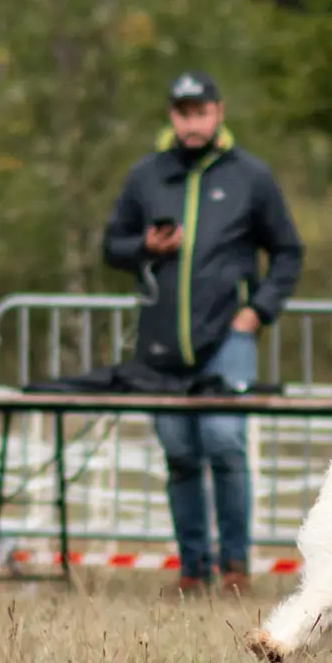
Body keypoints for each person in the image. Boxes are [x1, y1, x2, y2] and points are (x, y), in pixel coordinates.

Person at [101, 69, 305, 596]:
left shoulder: (251, 177)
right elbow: (111, 246)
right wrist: (145, 245)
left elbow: (287, 250)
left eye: (201, 112)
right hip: (162, 344)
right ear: (172, 117)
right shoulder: (145, 175)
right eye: (183, 113)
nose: (192, 122)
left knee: (222, 441)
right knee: (180, 452)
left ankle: (235, 568)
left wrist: (258, 311)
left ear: (218, 112)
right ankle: (193, 569)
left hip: (228, 338)